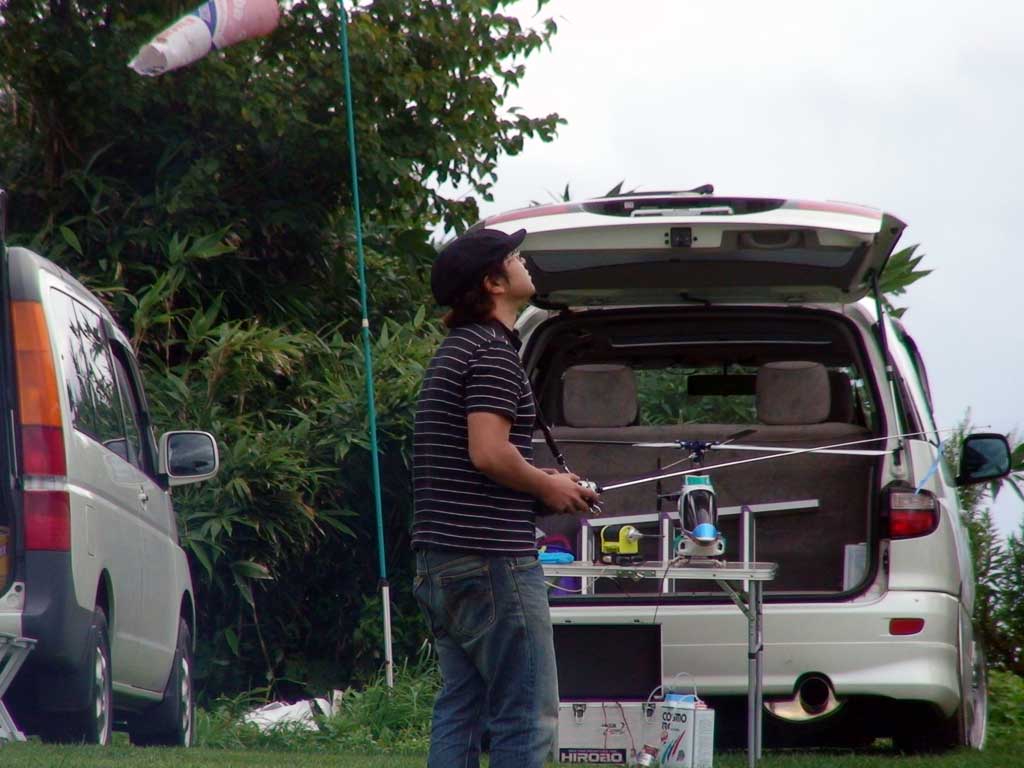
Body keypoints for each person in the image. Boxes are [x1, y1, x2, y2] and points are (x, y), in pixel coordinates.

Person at [411, 227, 599, 768]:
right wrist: (548, 485)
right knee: (526, 715)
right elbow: (489, 454)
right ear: (493, 283)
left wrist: (546, 485)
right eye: (514, 256)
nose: (524, 261)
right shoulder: (493, 353)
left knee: (462, 710)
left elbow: (472, 463)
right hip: (491, 561)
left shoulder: (456, 350)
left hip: (442, 559)